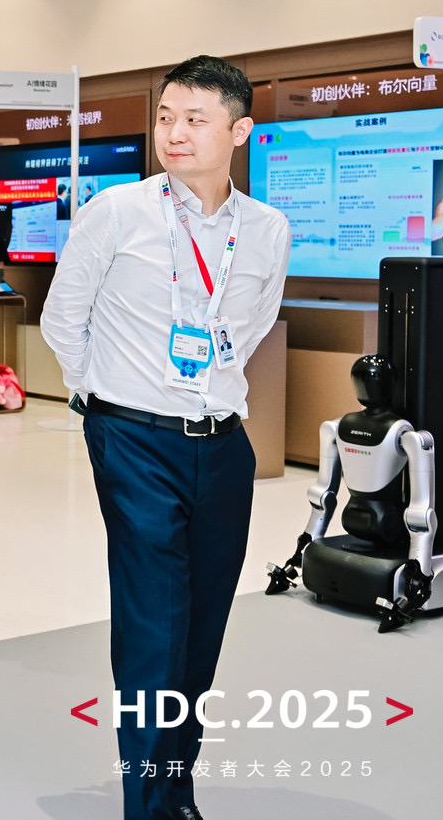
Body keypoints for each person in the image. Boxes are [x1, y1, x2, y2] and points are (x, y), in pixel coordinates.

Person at [41, 55, 290, 820]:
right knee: (154, 629)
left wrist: (202, 390)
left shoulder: (266, 230)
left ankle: (175, 787)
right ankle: (145, 807)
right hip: (134, 441)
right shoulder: (117, 212)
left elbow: (249, 331)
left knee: (203, 628)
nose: (174, 133)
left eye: (195, 119)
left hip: (223, 447)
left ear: (239, 132)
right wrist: (105, 402)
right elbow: (63, 319)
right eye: (166, 117)